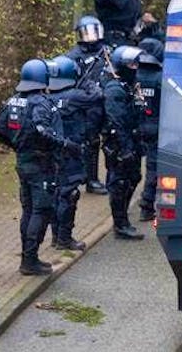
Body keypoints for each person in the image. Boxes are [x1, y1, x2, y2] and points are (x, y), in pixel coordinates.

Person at [0, 60, 78, 275]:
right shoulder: (40, 103)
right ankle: (30, 260)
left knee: (28, 210)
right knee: (42, 210)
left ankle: (28, 258)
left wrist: (18, 146)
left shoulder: (13, 101)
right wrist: (66, 145)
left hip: (23, 162)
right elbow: (44, 132)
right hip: (41, 164)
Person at [48, 55, 94, 251]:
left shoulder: (46, 97)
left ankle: (56, 236)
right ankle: (64, 239)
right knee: (69, 195)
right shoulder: (74, 96)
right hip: (71, 153)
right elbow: (96, 96)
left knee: (56, 194)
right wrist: (90, 83)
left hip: (53, 153)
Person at [103, 45, 146, 240]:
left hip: (131, 140)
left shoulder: (128, 86)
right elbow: (116, 121)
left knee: (134, 177)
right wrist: (125, 148)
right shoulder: (114, 90)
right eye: (131, 63)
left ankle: (122, 219)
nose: (135, 67)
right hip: (119, 144)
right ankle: (120, 224)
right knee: (119, 183)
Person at [66, 16, 109, 196]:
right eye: (86, 32)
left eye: (93, 31)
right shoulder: (73, 56)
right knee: (87, 142)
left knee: (105, 140)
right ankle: (88, 179)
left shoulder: (106, 51)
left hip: (104, 102)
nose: (90, 37)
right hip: (85, 105)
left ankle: (100, 178)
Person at [136, 38, 163, 222]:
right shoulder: (161, 78)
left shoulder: (133, 76)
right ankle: (146, 205)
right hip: (155, 128)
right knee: (153, 168)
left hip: (135, 128)